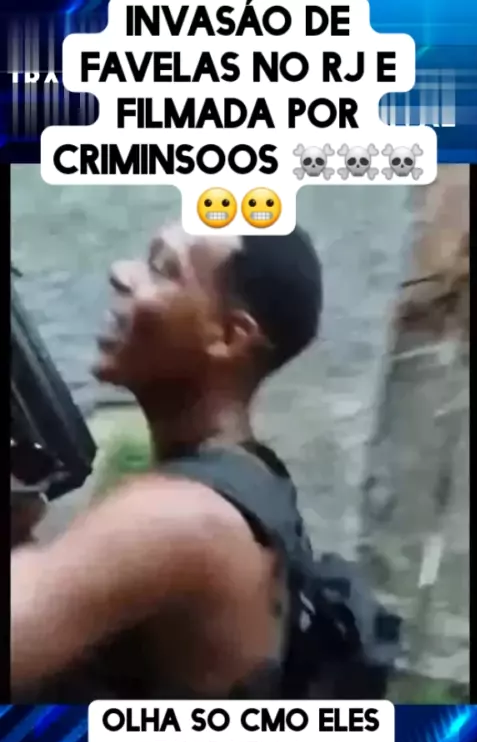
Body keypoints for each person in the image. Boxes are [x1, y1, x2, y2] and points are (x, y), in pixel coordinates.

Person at [11, 224, 323, 701]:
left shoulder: (180, 515)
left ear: (229, 335)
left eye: (162, 269)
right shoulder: (252, 476)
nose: (121, 273)